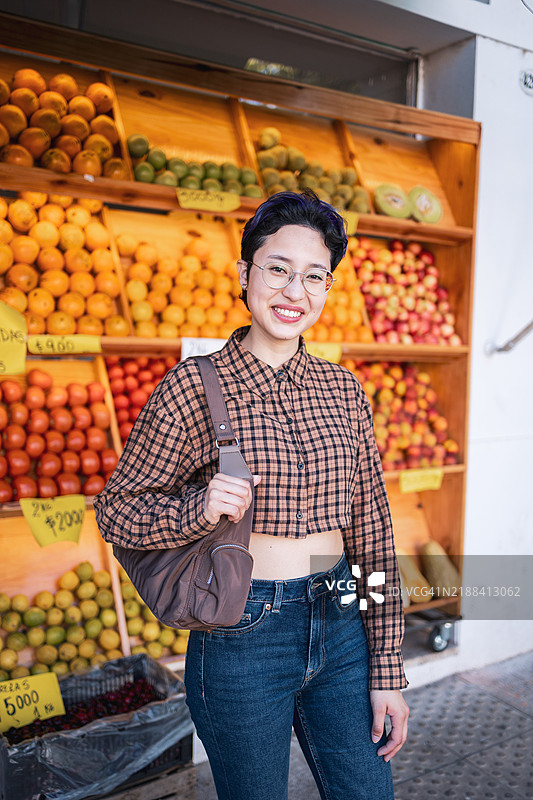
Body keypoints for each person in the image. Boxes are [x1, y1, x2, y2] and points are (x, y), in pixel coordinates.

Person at [94, 190, 409, 800]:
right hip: (242, 631)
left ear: (327, 290)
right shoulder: (192, 387)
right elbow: (119, 511)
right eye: (279, 269)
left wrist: (387, 670)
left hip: (342, 616)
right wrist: (198, 508)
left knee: (368, 792)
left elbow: (373, 530)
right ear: (245, 273)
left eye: (315, 277)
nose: (296, 292)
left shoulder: (344, 390)